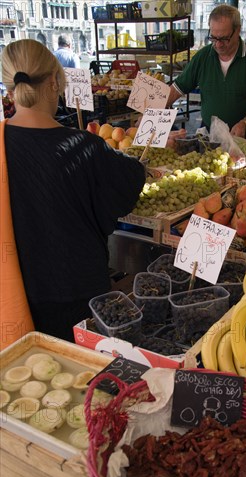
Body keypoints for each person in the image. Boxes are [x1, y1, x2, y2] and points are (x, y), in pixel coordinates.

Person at [0, 39, 145, 347]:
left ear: (10, 87)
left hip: (15, 294)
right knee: (85, 383)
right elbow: (129, 183)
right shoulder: (84, 147)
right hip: (80, 298)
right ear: (55, 81)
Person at [166, 5, 246, 144]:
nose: (218, 44)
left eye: (224, 39)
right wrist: (151, 114)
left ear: (237, 30)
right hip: (209, 135)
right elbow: (177, 88)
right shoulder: (203, 57)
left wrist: (244, 123)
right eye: (213, 38)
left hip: (244, 136)